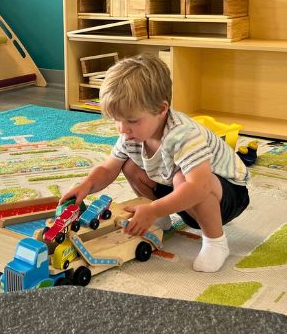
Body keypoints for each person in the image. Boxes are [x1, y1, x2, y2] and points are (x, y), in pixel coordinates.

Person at [60, 53, 250, 272]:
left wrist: (152, 209)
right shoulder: (131, 135)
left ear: (162, 109)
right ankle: (162, 218)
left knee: (184, 178)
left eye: (132, 121)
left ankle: (216, 241)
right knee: (130, 165)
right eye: (117, 121)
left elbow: (201, 186)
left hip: (227, 196)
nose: (122, 129)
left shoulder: (182, 134)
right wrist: (86, 185)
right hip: (181, 193)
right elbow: (107, 168)